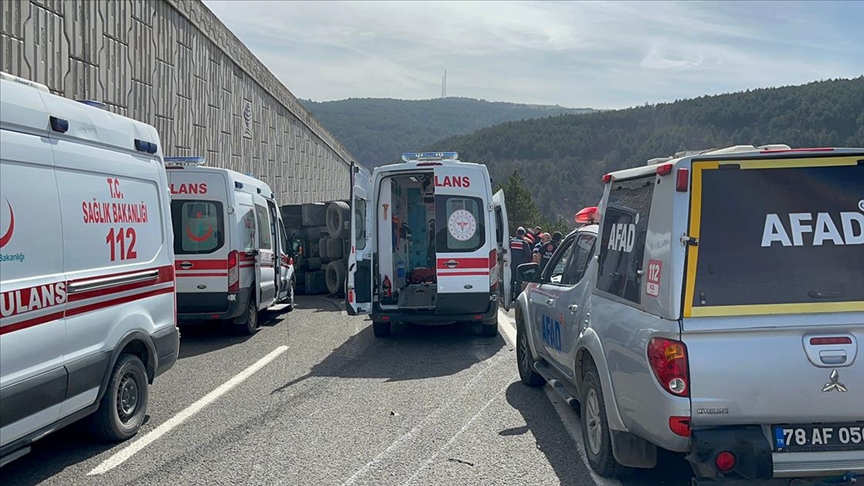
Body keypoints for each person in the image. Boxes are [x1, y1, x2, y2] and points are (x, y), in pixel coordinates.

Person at [509, 227, 533, 300]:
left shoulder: (511, 241)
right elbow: (528, 253)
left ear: (516, 233)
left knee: (512, 280)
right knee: (519, 281)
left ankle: (510, 296)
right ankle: (517, 296)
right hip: (520, 264)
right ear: (524, 234)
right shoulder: (523, 243)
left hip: (511, 263)